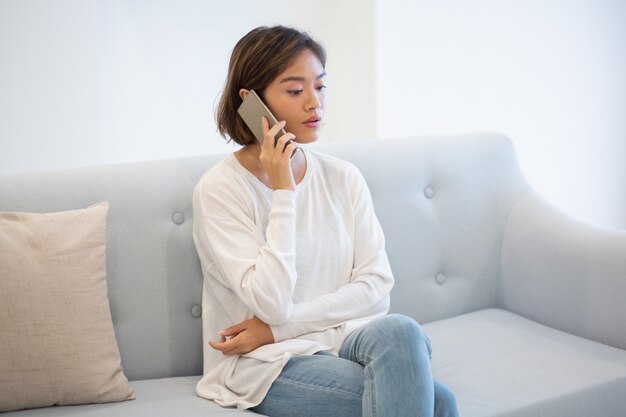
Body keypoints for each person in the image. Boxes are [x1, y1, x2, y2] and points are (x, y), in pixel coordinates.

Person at [192, 25, 459, 417]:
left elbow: (376, 287)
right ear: (251, 102)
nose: (314, 104)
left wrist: (277, 327)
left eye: (320, 87)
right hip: (266, 364)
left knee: (401, 330)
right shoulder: (220, 190)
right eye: (295, 91)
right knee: (438, 403)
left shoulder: (343, 177)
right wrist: (284, 191)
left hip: (338, 340)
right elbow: (271, 302)